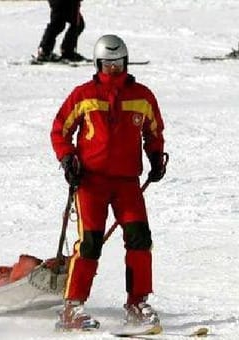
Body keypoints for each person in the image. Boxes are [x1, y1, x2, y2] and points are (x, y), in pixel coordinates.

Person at [50, 34, 167, 331]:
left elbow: (153, 131)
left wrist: (155, 157)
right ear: (98, 64)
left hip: (127, 182)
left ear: (125, 61)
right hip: (91, 182)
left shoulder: (142, 96)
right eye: (107, 64)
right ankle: (72, 307)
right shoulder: (84, 95)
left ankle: (137, 303)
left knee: (140, 237)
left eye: (117, 63)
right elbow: (59, 131)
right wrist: (67, 159)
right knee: (90, 242)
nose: (113, 69)